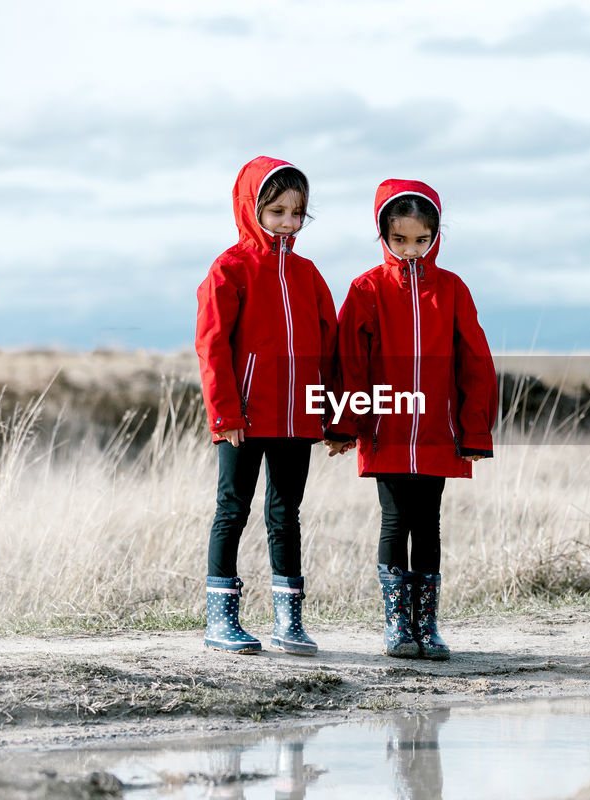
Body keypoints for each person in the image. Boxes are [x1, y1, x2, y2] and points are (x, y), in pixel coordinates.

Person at [325, 179, 497, 660]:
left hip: (439, 430)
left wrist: (475, 429)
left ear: (435, 236)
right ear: (383, 235)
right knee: (395, 521)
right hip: (388, 427)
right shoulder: (367, 288)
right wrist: (344, 425)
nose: (411, 250)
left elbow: (475, 361)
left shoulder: (453, 289)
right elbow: (349, 362)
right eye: (399, 240)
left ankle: (428, 626)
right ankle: (397, 627)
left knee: (430, 524)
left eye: (422, 240)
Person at [195, 156, 337, 656]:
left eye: (297, 213)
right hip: (243, 419)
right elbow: (212, 345)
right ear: (251, 209)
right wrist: (225, 413)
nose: (287, 222)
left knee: (286, 514)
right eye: (276, 210)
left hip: (297, 419)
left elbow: (330, 347)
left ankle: (289, 623)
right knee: (231, 510)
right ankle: (221, 622)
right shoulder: (229, 269)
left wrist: (333, 415)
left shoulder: (308, 274)